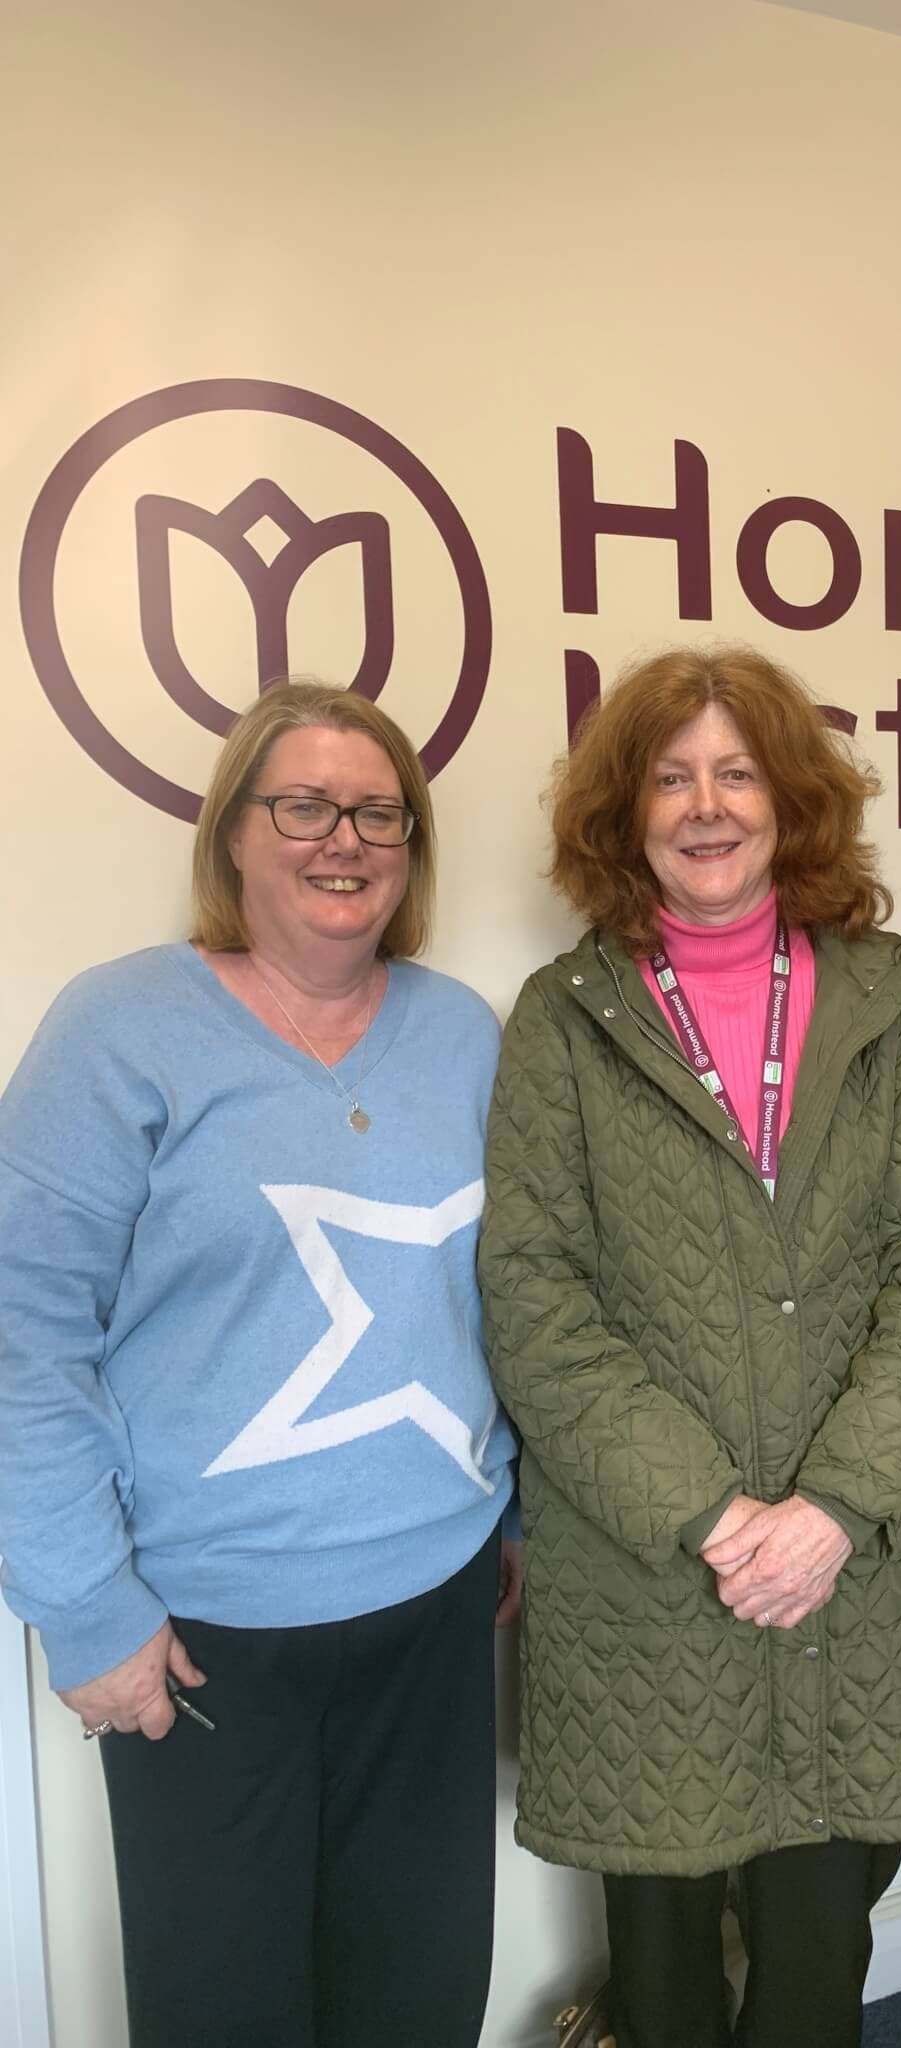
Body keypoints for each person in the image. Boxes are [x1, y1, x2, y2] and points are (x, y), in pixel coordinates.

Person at [478, 644, 901, 2048]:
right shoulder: (562, 1025)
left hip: (852, 1571)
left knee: (820, 1966)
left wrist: (831, 1505)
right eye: (671, 776)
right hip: (649, 1582)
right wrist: (715, 1515)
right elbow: (536, 1298)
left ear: (793, 801)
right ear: (626, 813)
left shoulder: (890, 1000)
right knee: (662, 1983)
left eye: (739, 771)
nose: (707, 805)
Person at [0, 681, 521, 2048]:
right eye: (302, 805)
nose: (341, 838)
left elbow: (509, 1304)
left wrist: (514, 1510)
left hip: (438, 1608)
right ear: (234, 832)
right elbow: (21, 1326)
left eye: (377, 813)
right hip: (204, 1644)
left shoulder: (465, 1034)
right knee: (225, 2014)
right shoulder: (120, 1030)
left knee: (418, 2001)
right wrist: (81, 1604)